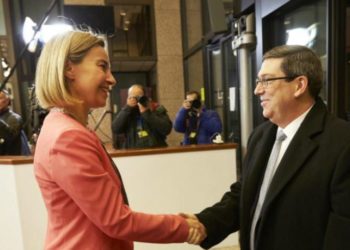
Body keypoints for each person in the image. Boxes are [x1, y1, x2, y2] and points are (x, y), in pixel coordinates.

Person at [34, 30, 206, 249]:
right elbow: (116, 220)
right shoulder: (68, 136)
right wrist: (181, 227)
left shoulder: (60, 126)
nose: (111, 79)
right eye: (102, 66)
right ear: (69, 68)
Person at [181, 45, 350, 250]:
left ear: (299, 85)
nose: (257, 90)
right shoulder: (261, 136)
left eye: (267, 81)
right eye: (258, 81)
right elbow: (243, 195)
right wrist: (204, 223)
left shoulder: (342, 142)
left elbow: (342, 234)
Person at [112, 84, 172, 149]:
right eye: (132, 97)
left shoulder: (155, 108)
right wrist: (127, 108)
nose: (135, 99)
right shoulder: (126, 112)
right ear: (128, 98)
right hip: (133, 153)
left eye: (138, 97)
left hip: (156, 152)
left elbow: (166, 129)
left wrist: (146, 113)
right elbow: (116, 129)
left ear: (144, 97)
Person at [0, 90, 30, 155]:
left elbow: (11, 135)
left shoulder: (15, 118)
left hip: (10, 161)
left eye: (0, 98)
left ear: (7, 101)